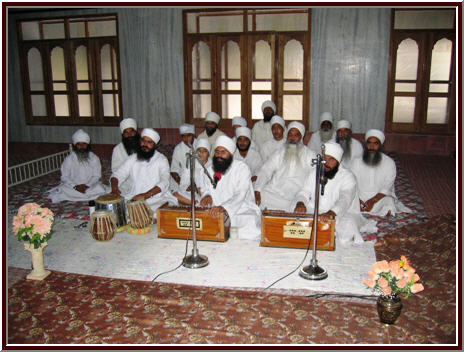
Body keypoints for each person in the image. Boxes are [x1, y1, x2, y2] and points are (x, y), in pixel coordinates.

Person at [294, 141, 377, 244]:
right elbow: (304, 191)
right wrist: (300, 203)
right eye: (324, 159)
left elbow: (345, 199)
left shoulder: (347, 176)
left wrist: (331, 213)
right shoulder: (315, 172)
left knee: (347, 228)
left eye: (331, 160)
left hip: (341, 213)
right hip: (315, 210)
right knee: (293, 213)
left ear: (338, 161)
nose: (326, 163)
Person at [199, 135, 262, 240]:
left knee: (249, 223)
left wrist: (224, 208)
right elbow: (205, 187)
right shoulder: (210, 169)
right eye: (217, 152)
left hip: (241, 208)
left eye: (223, 152)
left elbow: (241, 193)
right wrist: (207, 196)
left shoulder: (242, 168)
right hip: (215, 207)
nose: (219, 155)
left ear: (231, 154)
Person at [254, 121, 316, 213]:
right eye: (290, 134)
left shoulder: (310, 154)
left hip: (297, 194)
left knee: (306, 203)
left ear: (301, 137)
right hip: (276, 192)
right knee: (259, 195)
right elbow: (266, 170)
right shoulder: (280, 152)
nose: (292, 138)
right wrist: (257, 189)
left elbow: (314, 176)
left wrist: (305, 196)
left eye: (296, 135)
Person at [110, 128, 172, 216]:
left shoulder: (161, 159)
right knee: (115, 209)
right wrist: (114, 189)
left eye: (149, 142)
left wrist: (146, 195)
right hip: (134, 197)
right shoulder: (133, 158)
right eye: (143, 141)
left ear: (155, 145)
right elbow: (117, 174)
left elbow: (165, 181)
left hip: (156, 198)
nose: (145, 144)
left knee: (158, 212)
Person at [351, 129, 412, 216]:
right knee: (345, 200)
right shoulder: (356, 161)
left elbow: (387, 187)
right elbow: (351, 182)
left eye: (375, 143)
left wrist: (372, 201)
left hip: (379, 198)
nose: (372, 146)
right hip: (359, 196)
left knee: (389, 202)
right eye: (369, 143)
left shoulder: (389, 162)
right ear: (366, 144)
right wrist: (359, 200)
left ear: (381, 145)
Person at [47, 129, 106, 203]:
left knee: (100, 189)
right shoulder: (69, 159)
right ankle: (80, 195)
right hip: (73, 187)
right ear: (75, 145)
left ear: (87, 145)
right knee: (63, 188)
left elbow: (96, 175)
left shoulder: (94, 158)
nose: (81, 147)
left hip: (89, 186)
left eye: (84, 144)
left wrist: (87, 185)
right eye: (79, 144)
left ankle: (76, 195)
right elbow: (64, 176)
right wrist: (75, 186)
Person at [173, 138, 212, 206]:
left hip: (209, 195)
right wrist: (189, 187)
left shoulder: (213, 165)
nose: (201, 153)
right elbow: (183, 184)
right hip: (195, 195)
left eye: (204, 151)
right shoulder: (191, 164)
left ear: (208, 153)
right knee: (175, 194)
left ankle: (200, 204)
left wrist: (203, 192)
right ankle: (197, 204)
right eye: (199, 150)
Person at [111, 118, 140, 195]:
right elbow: (116, 170)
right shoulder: (117, 149)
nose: (129, 134)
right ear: (122, 135)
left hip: (143, 180)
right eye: (126, 132)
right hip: (126, 182)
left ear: (136, 132)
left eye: (131, 131)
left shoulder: (144, 146)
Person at [170, 123, 195, 190]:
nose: (186, 139)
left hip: (199, 179)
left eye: (189, 136)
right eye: (183, 136)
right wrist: (183, 184)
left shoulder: (200, 146)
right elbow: (174, 170)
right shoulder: (178, 148)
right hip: (182, 179)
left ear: (193, 135)